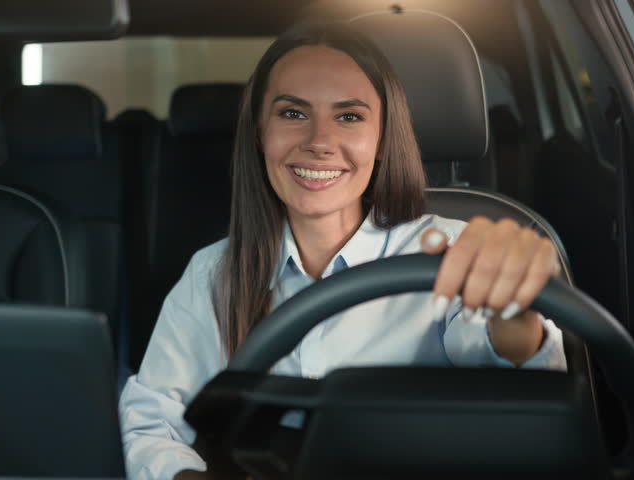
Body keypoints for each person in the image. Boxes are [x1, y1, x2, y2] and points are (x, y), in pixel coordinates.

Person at [119, 19, 567, 480]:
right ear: (259, 132)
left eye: (349, 116)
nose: (318, 142)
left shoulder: (452, 252)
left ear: (380, 141)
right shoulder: (213, 273)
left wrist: (514, 310)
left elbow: (521, 384)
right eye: (292, 113)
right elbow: (150, 422)